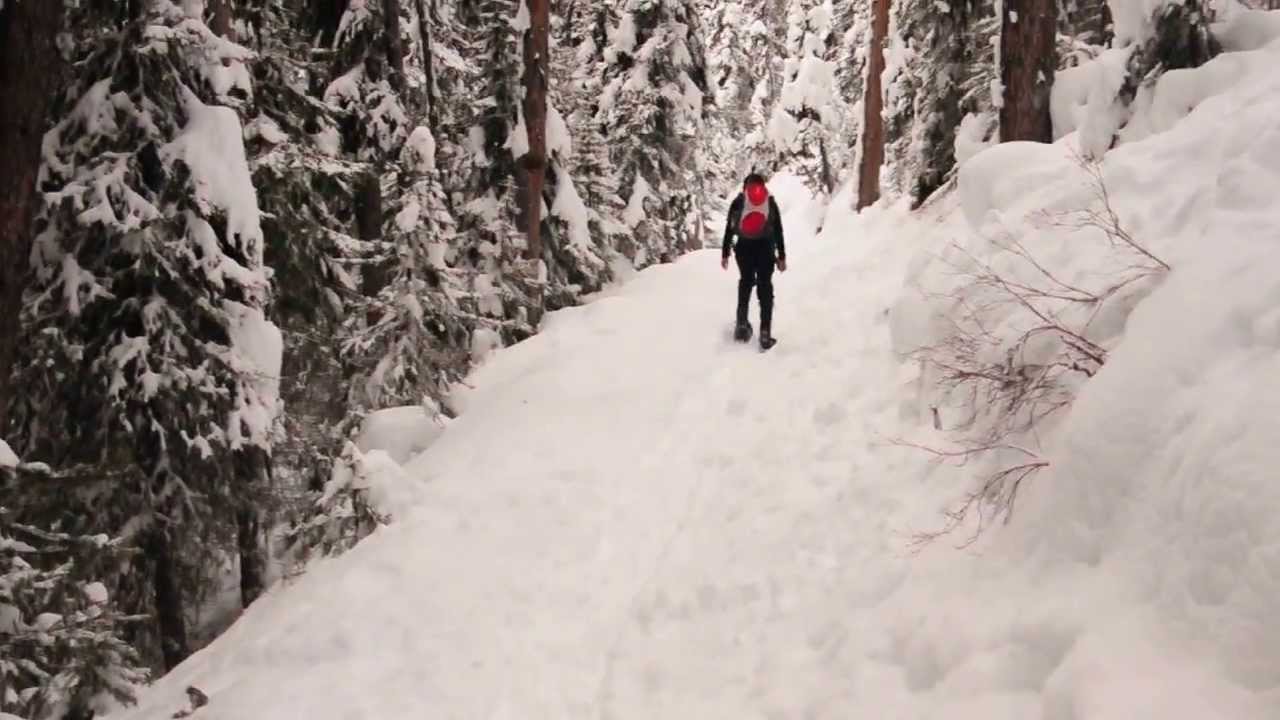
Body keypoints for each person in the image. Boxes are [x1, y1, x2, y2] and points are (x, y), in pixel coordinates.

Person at [721, 172, 786, 349]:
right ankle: (765, 333)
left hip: (744, 249)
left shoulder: (738, 202)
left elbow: (730, 229)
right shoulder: (770, 202)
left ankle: (741, 325)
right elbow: (778, 230)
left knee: (746, 283)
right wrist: (781, 256)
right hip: (766, 249)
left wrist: (725, 253)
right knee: (765, 286)